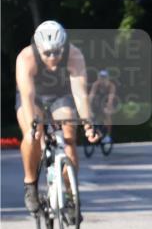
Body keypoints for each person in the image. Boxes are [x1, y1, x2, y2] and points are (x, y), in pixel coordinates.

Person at [15, 20, 100, 215]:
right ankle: (30, 185)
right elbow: (27, 95)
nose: (53, 57)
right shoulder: (26, 58)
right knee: (32, 136)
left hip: (60, 95)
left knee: (69, 135)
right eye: (47, 53)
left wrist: (88, 122)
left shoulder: (74, 55)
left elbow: (80, 93)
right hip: (33, 97)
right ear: (38, 48)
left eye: (58, 52)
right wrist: (33, 126)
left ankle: (71, 197)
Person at [87, 69, 117, 143]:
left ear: (107, 78)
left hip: (107, 102)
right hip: (98, 102)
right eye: (101, 77)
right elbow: (91, 95)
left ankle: (107, 136)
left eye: (104, 77)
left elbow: (111, 97)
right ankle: (94, 129)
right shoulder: (96, 84)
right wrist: (88, 104)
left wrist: (108, 105)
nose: (102, 79)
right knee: (91, 115)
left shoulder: (111, 86)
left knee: (107, 115)